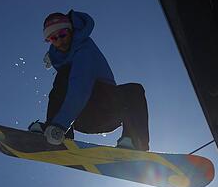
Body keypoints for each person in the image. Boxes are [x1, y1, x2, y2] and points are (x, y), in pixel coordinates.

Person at [29, 10, 150, 151]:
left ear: (71, 31)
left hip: (107, 111)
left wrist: (60, 124)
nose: (60, 41)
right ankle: (57, 133)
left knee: (134, 90)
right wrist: (56, 125)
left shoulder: (84, 51)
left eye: (62, 35)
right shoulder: (59, 55)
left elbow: (80, 87)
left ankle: (135, 142)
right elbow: (60, 92)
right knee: (62, 78)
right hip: (82, 119)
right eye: (53, 39)